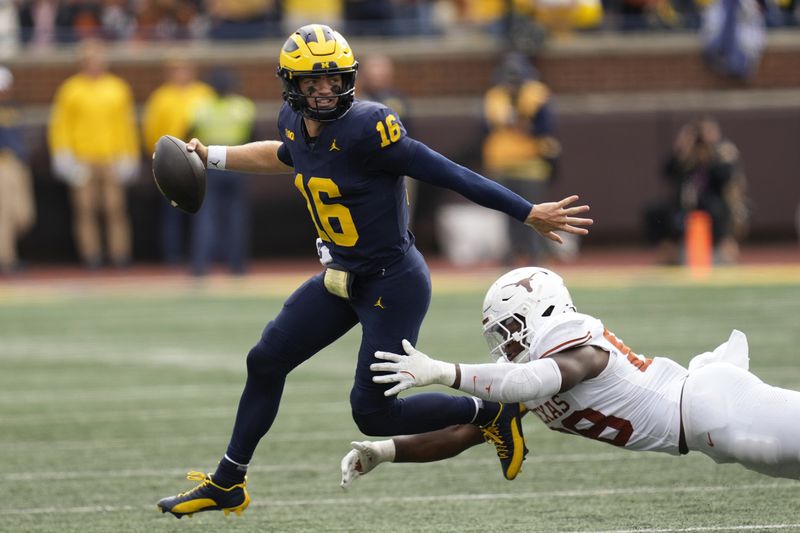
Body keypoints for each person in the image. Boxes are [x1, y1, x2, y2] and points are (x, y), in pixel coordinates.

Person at [155, 24, 592, 519]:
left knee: (372, 413)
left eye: (333, 80)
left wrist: (526, 210)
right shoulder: (294, 124)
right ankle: (228, 482)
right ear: (291, 86)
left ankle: (495, 411)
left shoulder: (370, 128)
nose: (324, 91)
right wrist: (209, 156)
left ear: (350, 79)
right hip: (342, 277)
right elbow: (285, 155)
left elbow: (447, 171)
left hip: (392, 282)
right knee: (265, 360)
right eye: (312, 83)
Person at [339, 266, 800, 488]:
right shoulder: (529, 370)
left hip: (713, 408)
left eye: (508, 328)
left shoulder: (570, 339)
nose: (504, 343)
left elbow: (540, 380)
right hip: (705, 430)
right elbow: (466, 430)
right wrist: (385, 451)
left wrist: (443, 371)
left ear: (538, 312)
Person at [48, 38, 140, 269]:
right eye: (89, 60)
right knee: (85, 211)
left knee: (115, 209)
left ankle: (119, 255)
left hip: (111, 157)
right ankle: (92, 256)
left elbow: (125, 124)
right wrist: (64, 156)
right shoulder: (70, 89)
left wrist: (129, 154)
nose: (94, 64)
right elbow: (61, 125)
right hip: (83, 159)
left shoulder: (118, 87)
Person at [482, 52, 564, 266]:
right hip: (503, 163)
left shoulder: (537, 94)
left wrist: (518, 120)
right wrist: (519, 121)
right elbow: (487, 127)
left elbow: (542, 128)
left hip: (531, 163)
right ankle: (511, 253)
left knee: (535, 212)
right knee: (509, 213)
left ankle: (537, 255)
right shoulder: (495, 96)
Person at [141, 57, 214, 266]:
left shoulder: (203, 94)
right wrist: (156, 156)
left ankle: (200, 255)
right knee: (171, 211)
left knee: (200, 210)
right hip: (171, 163)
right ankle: (172, 256)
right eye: (175, 70)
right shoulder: (161, 97)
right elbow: (151, 129)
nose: (180, 73)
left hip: (200, 158)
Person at [644, 117, 746, 265]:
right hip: (685, 205)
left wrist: (714, 154)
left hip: (713, 205)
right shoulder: (686, 157)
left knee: (716, 210)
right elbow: (667, 172)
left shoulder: (720, 154)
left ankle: (725, 249)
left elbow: (726, 177)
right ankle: (668, 252)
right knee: (656, 212)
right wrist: (683, 149)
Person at [188, 68, 256, 276]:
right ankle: (237, 266)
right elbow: (255, 137)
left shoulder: (201, 108)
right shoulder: (243, 107)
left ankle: (201, 266)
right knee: (236, 217)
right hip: (237, 163)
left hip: (210, 164)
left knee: (207, 216)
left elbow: (189, 138)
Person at [0, 65, 36, 274]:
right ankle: (7, 259)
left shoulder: (15, 107)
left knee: (24, 216)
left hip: (19, 164)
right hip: (3, 163)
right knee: (5, 214)